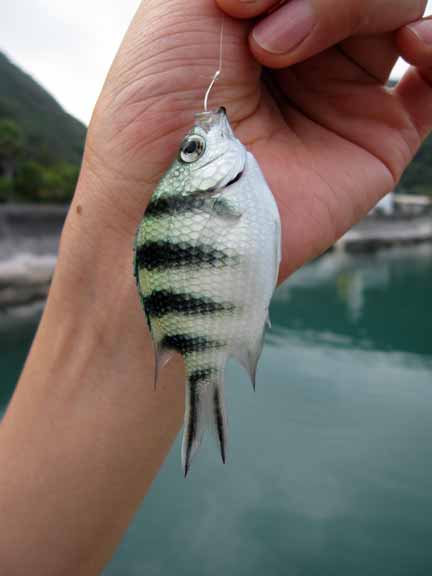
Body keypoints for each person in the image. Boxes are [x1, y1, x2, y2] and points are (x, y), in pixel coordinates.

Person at [1, 0, 431, 573]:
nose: (203, 135)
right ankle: (205, 380)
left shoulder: (230, 178)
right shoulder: (230, 175)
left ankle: (201, 384)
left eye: (190, 151)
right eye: (193, 151)